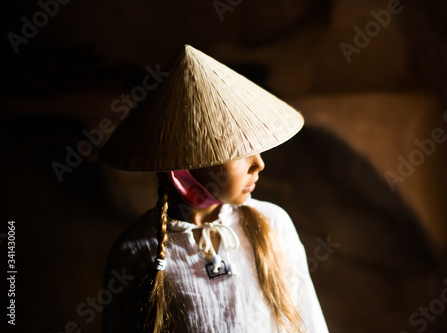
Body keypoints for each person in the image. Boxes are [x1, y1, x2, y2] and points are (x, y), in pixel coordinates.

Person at [100, 45, 329, 333]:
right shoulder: (135, 251)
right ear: (184, 167)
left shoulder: (274, 224)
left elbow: (310, 323)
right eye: (238, 152)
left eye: (256, 149)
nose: (258, 164)